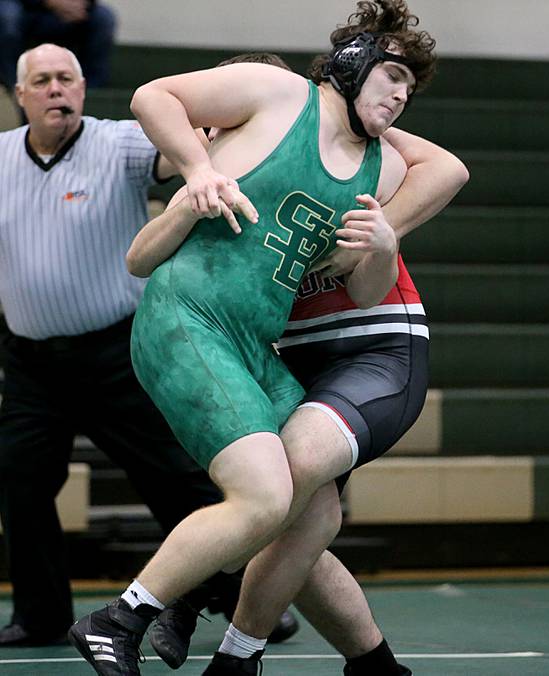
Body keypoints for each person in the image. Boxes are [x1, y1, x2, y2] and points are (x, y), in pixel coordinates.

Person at [68, 1, 449, 673]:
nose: (400, 95)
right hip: (191, 316)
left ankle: (342, 660)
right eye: (392, 76)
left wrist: (386, 241)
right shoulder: (281, 94)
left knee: (316, 514)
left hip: (255, 344)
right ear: (354, 65)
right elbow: (152, 96)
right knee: (268, 495)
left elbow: (370, 281)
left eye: (410, 90)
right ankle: (123, 617)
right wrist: (194, 168)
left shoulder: (375, 166)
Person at [0, 42, 295, 650]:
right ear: (19, 94)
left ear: (83, 89)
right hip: (29, 361)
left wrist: (221, 137)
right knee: (18, 484)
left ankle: (242, 600)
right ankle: (40, 614)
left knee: (174, 476)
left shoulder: (122, 142)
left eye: (67, 79)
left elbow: (188, 149)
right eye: (43, 80)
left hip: (116, 352)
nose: (57, 89)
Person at [0, 0, 116, 90]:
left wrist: (78, 3)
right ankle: (15, 88)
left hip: (67, 11)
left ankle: (88, 93)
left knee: (103, 17)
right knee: (8, 16)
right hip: (25, 9)